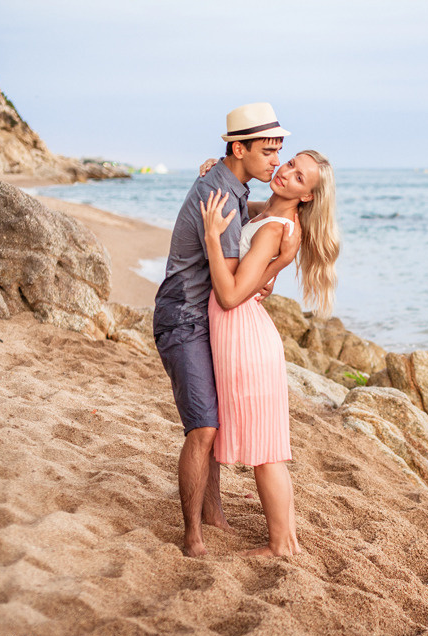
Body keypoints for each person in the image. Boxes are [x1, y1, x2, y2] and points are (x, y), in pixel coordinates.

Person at [153, 102, 290, 557]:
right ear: (239, 147)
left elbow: (243, 215)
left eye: (280, 152)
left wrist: (278, 227)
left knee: (213, 420)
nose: (275, 160)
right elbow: (229, 284)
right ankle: (192, 533)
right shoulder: (218, 193)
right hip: (183, 318)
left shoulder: (228, 186)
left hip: (201, 316)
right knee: (205, 428)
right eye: (268, 151)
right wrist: (270, 265)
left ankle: (213, 514)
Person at [200, 149, 339, 557]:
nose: (287, 172)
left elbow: (228, 296)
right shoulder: (269, 213)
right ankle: (286, 539)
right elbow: (241, 203)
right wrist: (216, 172)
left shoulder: (275, 228)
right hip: (243, 332)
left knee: (265, 451)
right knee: (266, 446)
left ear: (308, 196)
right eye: (291, 163)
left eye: (300, 178)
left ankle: (282, 544)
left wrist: (212, 238)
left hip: (244, 335)